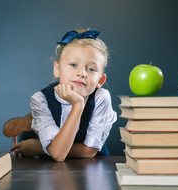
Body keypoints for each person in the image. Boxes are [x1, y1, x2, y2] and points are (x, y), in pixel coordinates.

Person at [9, 29, 117, 162]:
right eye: (73, 65)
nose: (82, 73)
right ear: (57, 69)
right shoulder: (41, 99)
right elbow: (58, 154)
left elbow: (89, 151)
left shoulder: (101, 97)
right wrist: (77, 105)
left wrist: (40, 147)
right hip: (52, 170)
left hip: (94, 168)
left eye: (91, 69)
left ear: (100, 81)